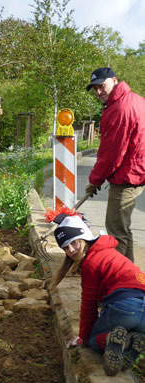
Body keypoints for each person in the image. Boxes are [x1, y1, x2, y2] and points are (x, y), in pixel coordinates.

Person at [51, 213, 145, 377]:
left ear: (84, 238)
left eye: (74, 243)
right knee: (132, 326)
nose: (71, 250)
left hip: (124, 307)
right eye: (65, 247)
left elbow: (88, 305)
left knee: (94, 339)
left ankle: (121, 341)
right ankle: (133, 340)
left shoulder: (91, 263)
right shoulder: (111, 252)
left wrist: (83, 337)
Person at [84, 67, 145, 263]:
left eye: (102, 86)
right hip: (136, 169)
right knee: (123, 230)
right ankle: (132, 278)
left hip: (128, 174)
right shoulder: (134, 100)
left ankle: (119, 283)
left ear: (114, 80)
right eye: (95, 88)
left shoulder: (120, 108)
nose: (99, 91)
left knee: (117, 232)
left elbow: (111, 154)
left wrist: (95, 180)